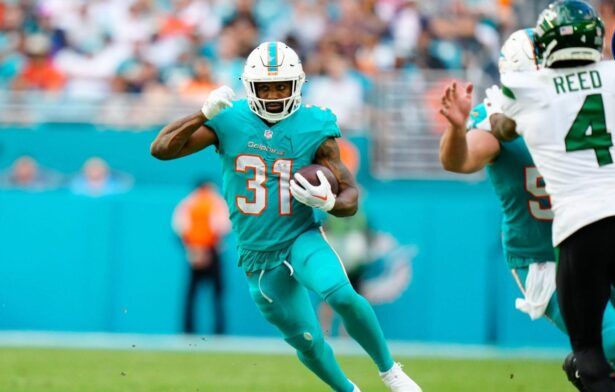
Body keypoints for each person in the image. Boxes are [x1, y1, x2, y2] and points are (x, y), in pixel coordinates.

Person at [151, 41, 420, 392]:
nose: (275, 94)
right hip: (258, 256)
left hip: (300, 237)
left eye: (282, 85)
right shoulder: (228, 119)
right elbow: (160, 150)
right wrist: (202, 114)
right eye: (266, 86)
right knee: (307, 340)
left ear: (298, 85)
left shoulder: (315, 124)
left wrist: (327, 202)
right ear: (251, 86)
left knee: (341, 295)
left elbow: (350, 194)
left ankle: (391, 373)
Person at [440, 27, 615, 392]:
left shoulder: (589, 101)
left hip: (603, 233)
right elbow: (460, 161)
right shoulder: (496, 120)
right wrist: (454, 129)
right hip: (544, 256)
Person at [172, 180, 231, 334]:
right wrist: (207, 249)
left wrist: (193, 249)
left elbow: (179, 228)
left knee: (192, 294)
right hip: (211, 251)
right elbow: (222, 226)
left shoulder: (187, 203)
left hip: (194, 250)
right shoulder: (215, 201)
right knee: (216, 294)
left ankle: (188, 330)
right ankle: (219, 331)